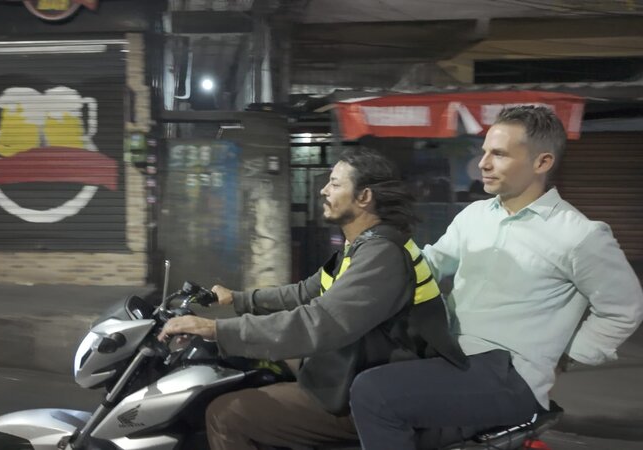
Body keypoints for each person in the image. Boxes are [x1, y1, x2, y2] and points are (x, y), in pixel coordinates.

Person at [349, 105, 643, 450]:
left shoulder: (579, 235)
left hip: (508, 374)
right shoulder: (475, 215)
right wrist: (370, 264)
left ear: (542, 163)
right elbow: (431, 263)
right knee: (354, 363)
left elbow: (623, 308)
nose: (483, 164)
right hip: (452, 353)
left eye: (499, 154)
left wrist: (568, 354)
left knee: (374, 393)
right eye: (485, 151)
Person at [158, 147, 466, 450]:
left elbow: (320, 322)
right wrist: (236, 300)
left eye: (334, 183)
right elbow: (305, 292)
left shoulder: (382, 255)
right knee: (253, 364)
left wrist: (216, 330)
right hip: (353, 363)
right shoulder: (361, 246)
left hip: (370, 388)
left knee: (225, 415)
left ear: (364, 197)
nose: (323, 190)